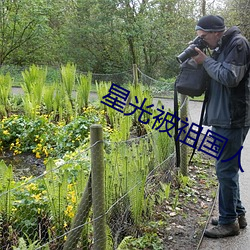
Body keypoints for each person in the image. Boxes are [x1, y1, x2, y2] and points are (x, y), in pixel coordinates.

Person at [192, 15, 250, 238]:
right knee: (228, 168)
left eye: (204, 37)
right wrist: (201, 60)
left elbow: (229, 77)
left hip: (233, 117)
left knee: (225, 169)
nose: (203, 41)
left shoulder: (238, 44)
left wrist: (205, 61)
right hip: (223, 117)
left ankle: (228, 223)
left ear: (216, 32)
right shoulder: (221, 46)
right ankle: (237, 214)